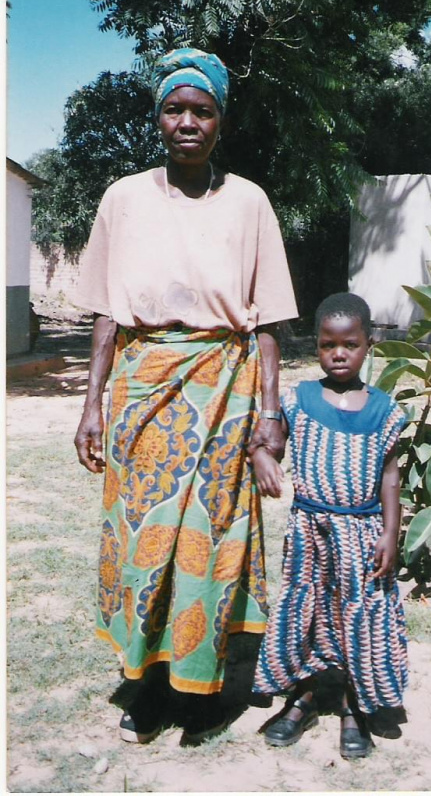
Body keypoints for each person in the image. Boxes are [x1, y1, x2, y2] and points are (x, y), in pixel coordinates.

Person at [73, 48, 297, 746]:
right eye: (175, 108)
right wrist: (93, 402)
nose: (188, 122)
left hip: (226, 389)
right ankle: (144, 683)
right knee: (144, 539)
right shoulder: (123, 197)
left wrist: (269, 413)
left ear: (221, 122)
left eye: (202, 111)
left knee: (212, 538)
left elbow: (267, 325)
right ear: (158, 118)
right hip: (143, 388)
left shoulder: (250, 201)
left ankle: (198, 686)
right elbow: (107, 313)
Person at [251, 293, 408, 759]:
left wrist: (390, 533)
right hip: (309, 533)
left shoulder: (385, 410)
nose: (339, 354)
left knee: (356, 618)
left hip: (361, 535)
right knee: (307, 615)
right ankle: (303, 699)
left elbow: (391, 477)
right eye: (327, 345)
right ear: (316, 346)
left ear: (369, 345)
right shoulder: (298, 401)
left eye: (350, 345)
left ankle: (351, 705)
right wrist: (261, 457)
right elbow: (266, 443)